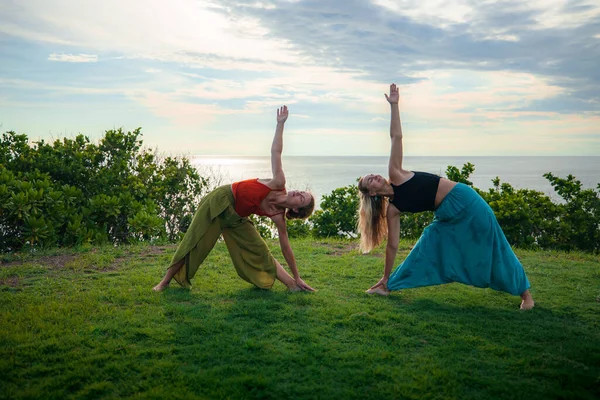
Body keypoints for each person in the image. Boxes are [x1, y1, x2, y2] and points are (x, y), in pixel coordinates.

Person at [357, 83, 534, 310]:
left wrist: (394, 106)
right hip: (447, 217)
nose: (375, 176)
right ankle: (387, 285)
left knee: (494, 244)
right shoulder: (393, 209)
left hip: (465, 202)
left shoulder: (396, 174)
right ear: (372, 193)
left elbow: (396, 137)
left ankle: (525, 295)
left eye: (372, 174)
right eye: (369, 180)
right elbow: (392, 246)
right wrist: (384, 275)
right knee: (427, 244)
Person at [153, 106, 315, 293]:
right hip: (221, 200)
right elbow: (276, 152)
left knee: (260, 250)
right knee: (194, 240)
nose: (298, 193)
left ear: (295, 210)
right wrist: (280, 124)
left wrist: (297, 275)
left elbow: (286, 248)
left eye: (301, 198)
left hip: (237, 217)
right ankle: (164, 282)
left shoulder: (278, 216)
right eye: (301, 191)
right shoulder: (278, 182)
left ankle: (292, 285)